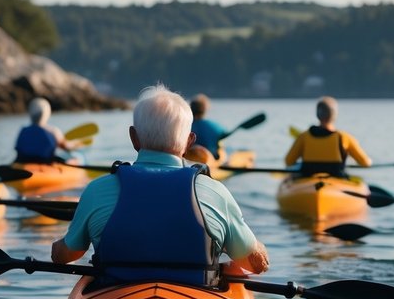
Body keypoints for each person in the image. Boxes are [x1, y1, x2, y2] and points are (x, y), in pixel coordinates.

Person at [51, 84, 269, 286]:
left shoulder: (97, 190)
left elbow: (65, 255)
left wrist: (56, 248)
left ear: (133, 137)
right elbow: (256, 264)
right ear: (189, 142)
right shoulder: (215, 192)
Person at [284, 96, 371, 177]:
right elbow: (365, 163)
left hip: (308, 178)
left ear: (317, 115)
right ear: (335, 115)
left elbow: (288, 161)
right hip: (336, 179)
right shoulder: (344, 138)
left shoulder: (303, 137)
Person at [14, 97, 80, 164]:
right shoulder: (53, 131)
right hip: (45, 163)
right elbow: (66, 147)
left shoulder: (23, 131)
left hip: (21, 162)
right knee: (75, 159)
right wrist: (77, 144)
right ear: (47, 113)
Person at [185, 93, 228, 166]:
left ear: (191, 108)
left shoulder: (184, 127)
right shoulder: (216, 128)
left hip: (189, 161)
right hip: (211, 162)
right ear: (205, 109)